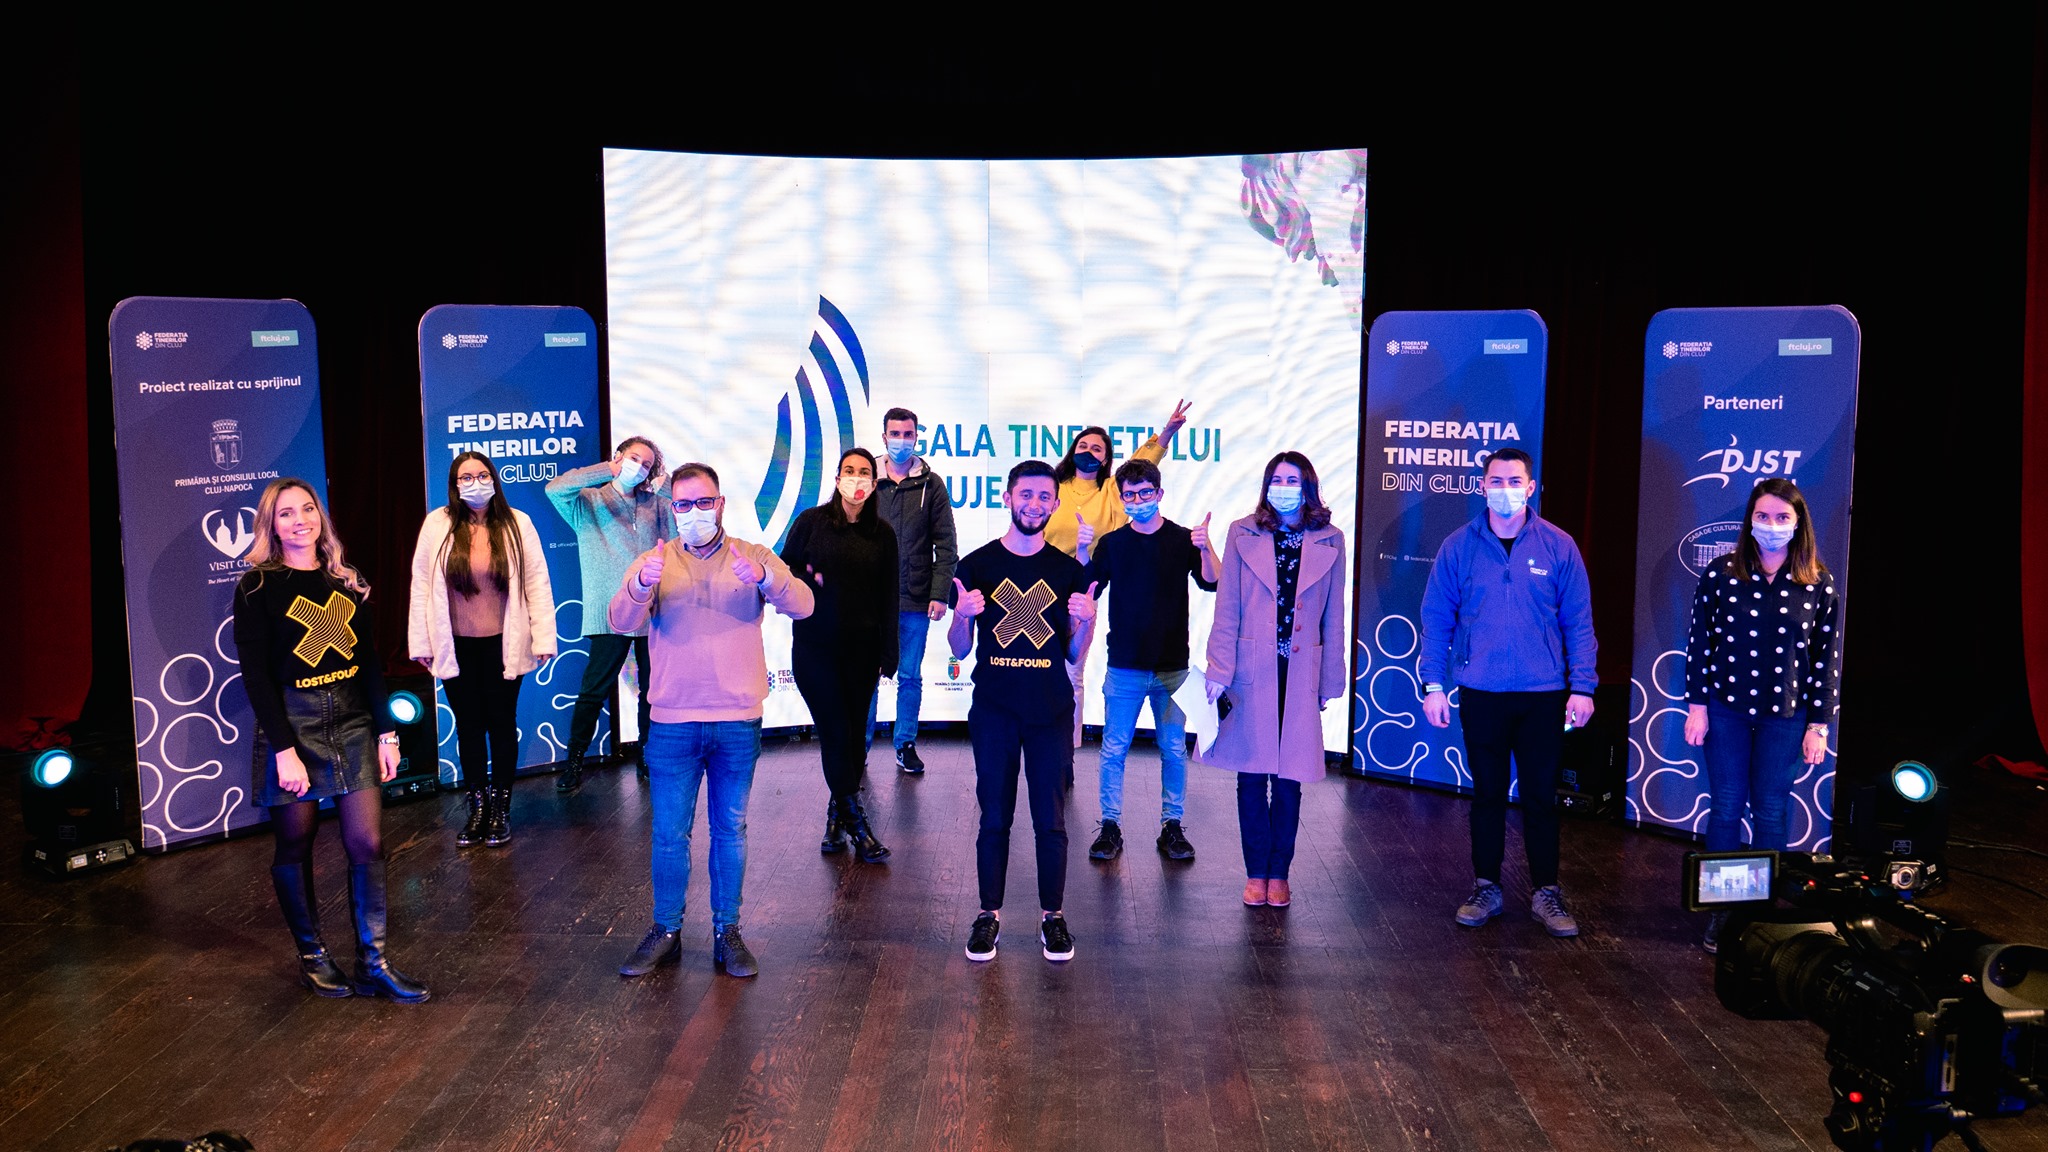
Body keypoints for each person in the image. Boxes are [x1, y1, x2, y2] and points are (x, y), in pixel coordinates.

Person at [611, 463, 814, 980]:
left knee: (730, 829)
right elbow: (620, 621)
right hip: (672, 723)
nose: (694, 513)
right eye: (683, 505)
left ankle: (728, 932)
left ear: (721, 504)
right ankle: (666, 931)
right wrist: (639, 585)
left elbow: (804, 605)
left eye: (704, 502)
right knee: (669, 834)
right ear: (672, 508)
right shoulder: (655, 560)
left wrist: (765, 578)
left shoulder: (752, 555)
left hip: (736, 722)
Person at [235, 478, 427, 1003]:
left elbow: (368, 664)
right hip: (292, 723)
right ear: (271, 525)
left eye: (307, 510)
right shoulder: (257, 587)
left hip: (352, 720)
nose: (300, 521)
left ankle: (374, 964)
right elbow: (256, 677)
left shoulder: (344, 579)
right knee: (295, 843)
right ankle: (314, 958)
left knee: (367, 843)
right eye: (286, 514)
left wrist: (386, 732)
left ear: (320, 517)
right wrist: (284, 751)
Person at [1418, 447, 1597, 938]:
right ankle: (1486, 887)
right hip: (1481, 692)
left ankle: (1547, 892)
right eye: (1495, 481)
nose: (1505, 490)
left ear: (1530, 487)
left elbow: (1579, 622)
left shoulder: (1559, 546)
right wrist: (1434, 684)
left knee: (1540, 796)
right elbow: (1436, 618)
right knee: (1488, 795)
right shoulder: (1458, 546)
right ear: (1482, 486)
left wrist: (1583, 687)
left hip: (1544, 695)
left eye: (1514, 481)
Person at [950, 460, 1097, 963]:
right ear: (1008, 497)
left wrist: (1087, 622)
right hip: (994, 709)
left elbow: (1073, 654)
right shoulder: (976, 565)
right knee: (994, 816)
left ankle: (1052, 917)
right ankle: (987, 915)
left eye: (1044, 497)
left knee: (1050, 820)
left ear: (1055, 504)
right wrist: (961, 616)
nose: (1034, 505)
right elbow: (960, 648)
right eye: (1025, 494)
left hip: (1049, 711)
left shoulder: (1069, 572)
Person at [1684, 477, 1840, 952]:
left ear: (1798, 522)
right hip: (1725, 711)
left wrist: (1818, 725)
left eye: (1782, 517)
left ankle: (1759, 910)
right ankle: (1723, 910)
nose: (1772, 525)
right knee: (1726, 807)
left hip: (1786, 717)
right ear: (1750, 519)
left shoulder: (1817, 582)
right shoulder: (1722, 573)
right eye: (1763, 516)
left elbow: (1825, 658)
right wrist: (1697, 708)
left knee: (1771, 810)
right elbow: (1700, 643)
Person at [1201, 452, 1348, 908]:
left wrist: (1330, 679)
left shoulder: (1331, 538)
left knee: (1289, 779)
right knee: (1251, 775)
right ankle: (1256, 872)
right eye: (1277, 479)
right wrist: (1219, 668)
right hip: (1251, 668)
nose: (1283, 487)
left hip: (1302, 670)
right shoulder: (1242, 532)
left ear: (1308, 486)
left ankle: (1279, 873)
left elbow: (1334, 615)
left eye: (1292, 480)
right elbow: (1227, 606)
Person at [408, 452, 556, 848]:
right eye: (465, 477)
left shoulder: (517, 523)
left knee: (502, 724)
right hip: (455, 646)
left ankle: (501, 809)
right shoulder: (437, 524)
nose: (475, 483)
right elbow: (421, 585)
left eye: (482, 475)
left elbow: (537, 582)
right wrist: (421, 641)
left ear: (494, 478)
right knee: (469, 727)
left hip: (502, 645)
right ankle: (477, 808)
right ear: (454, 485)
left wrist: (544, 637)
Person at [1082, 458, 1218, 863]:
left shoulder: (1182, 539)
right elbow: (1088, 588)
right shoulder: (1113, 544)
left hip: (1172, 668)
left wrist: (1206, 546)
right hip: (1124, 664)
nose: (1139, 501)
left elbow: (1212, 581)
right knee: (1113, 749)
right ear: (1122, 499)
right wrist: (1081, 550)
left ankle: (1172, 825)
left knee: (1173, 748)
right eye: (1130, 495)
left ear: (1159, 493)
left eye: (1145, 493)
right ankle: (1109, 825)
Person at [1043, 400, 1193, 748]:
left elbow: (1143, 462)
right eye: (1083, 445)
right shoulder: (1054, 487)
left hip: (1082, 591)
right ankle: (1038, 744)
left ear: (1106, 458)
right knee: (1037, 670)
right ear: (1072, 451)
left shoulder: (1111, 491)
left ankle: (1066, 750)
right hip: (1041, 587)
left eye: (1097, 448)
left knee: (1072, 674)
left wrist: (1166, 433)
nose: (1088, 452)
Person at [781, 447, 899, 862]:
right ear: (837, 479)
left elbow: (889, 595)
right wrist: (807, 576)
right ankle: (858, 826)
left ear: (874, 482)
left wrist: (889, 651)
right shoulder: (811, 522)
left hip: (863, 650)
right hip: (815, 647)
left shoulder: (882, 534)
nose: (856, 478)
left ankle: (836, 818)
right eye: (849, 470)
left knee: (852, 737)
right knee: (834, 730)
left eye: (864, 472)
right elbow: (783, 570)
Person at [545, 435, 673, 791]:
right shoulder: (588, 501)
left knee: (652, 691)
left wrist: (664, 487)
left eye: (647, 464)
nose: (639, 468)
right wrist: (608, 470)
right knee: (593, 690)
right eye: (633, 458)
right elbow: (555, 489)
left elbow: (679, 533)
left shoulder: (656, 504)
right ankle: (573, 762)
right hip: (608, 610)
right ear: (618, 456)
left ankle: (647, 756)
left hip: (651, 610)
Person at [868, 407, 957, 776]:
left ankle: (905, 744)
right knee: (866, 676)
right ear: (884, 437)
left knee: (909, 676)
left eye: (908, 434)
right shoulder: (866, 478)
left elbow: (946, 544)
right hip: (869, 600)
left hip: (915, 597)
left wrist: (940, 593)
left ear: (916, 437)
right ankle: (859, 745)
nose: (901, 441)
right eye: (895, 433)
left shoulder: (931, 484)